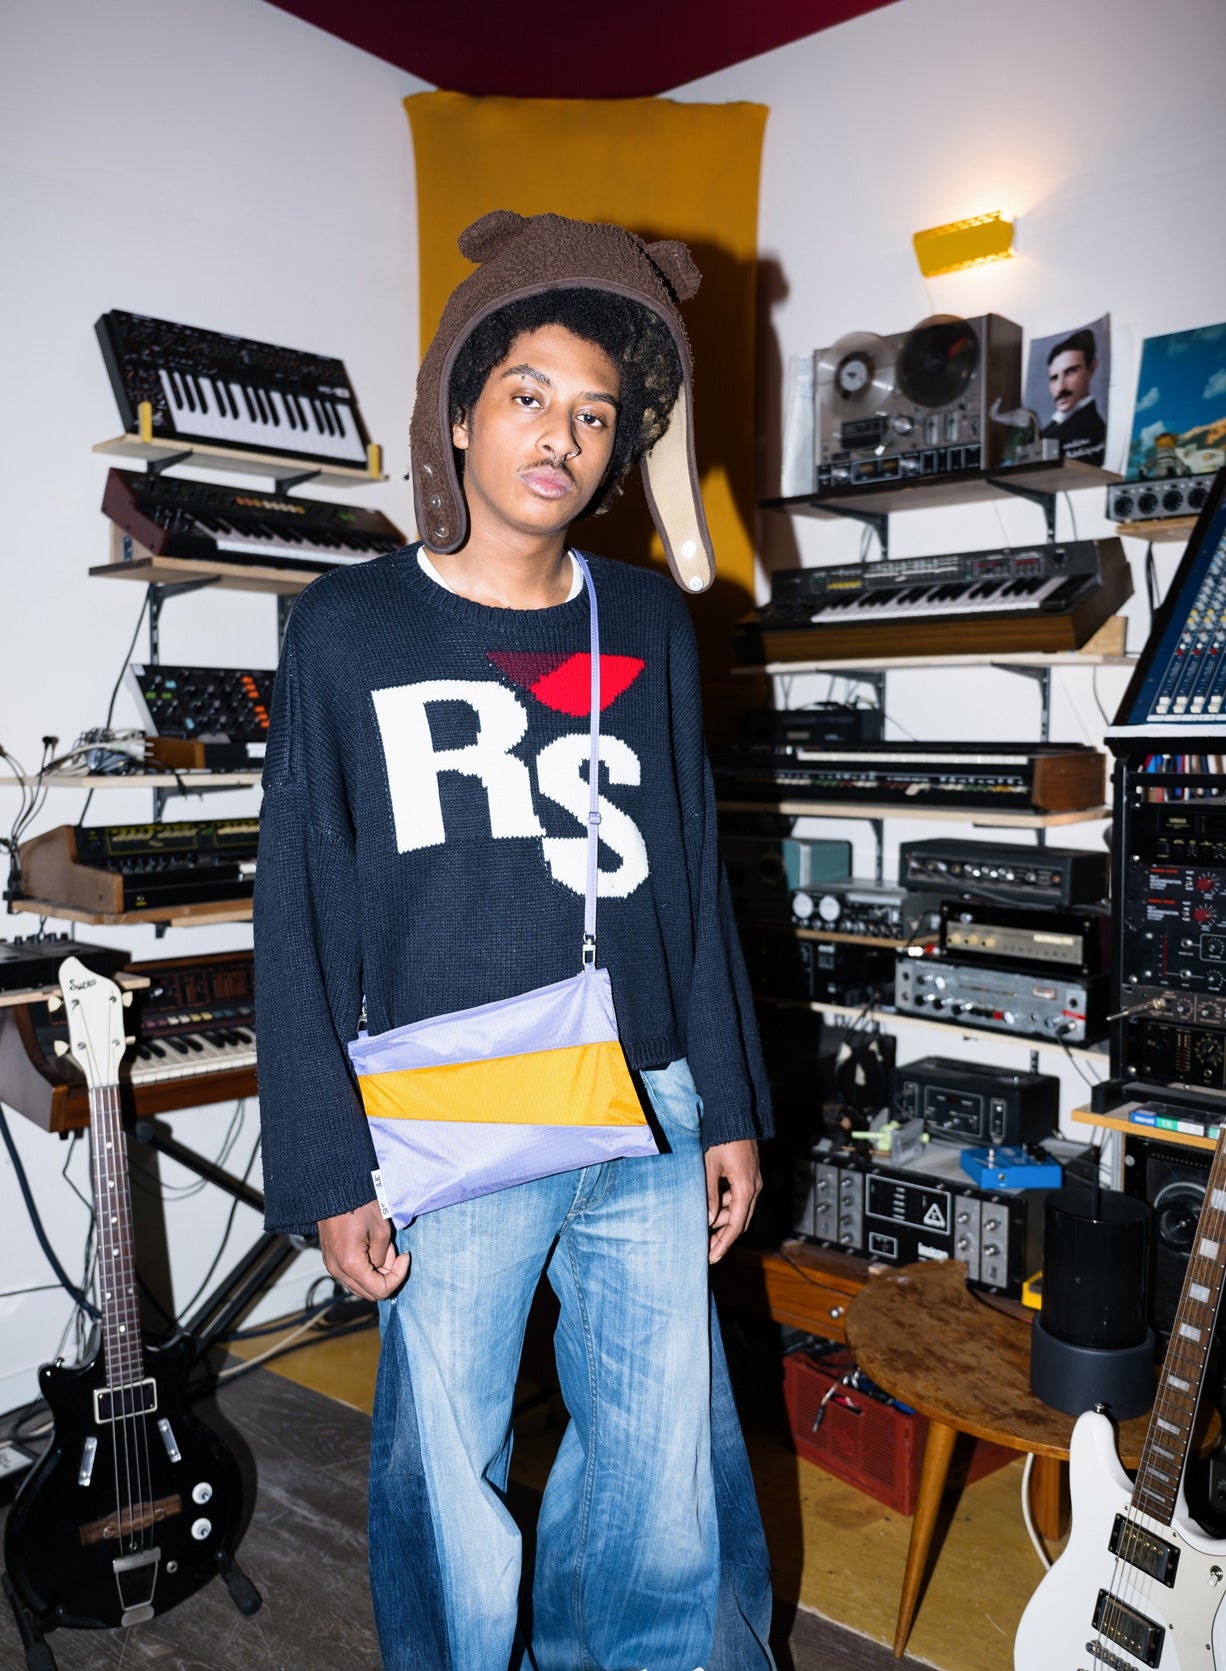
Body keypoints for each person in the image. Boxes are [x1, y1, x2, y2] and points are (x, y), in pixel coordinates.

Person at [254, 210, 776, 1671]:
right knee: (448, 1484)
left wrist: (728, 1105)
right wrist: (327, 1169)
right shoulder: (348, 626)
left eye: (595, 414)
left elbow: (691, 879)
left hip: (648, 1103)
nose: (561, 434)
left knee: (658, 1481)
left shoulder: (647, 621)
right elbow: (297, 905)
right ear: (458, 409)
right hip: (447, 1116)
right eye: (529, 395)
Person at [1040, 327, 1107, 464]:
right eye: (1054, 378)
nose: (1060, 388)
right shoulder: (1051, 428)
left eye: (1070, 372)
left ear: (1092, 367)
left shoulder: (1094, 430)